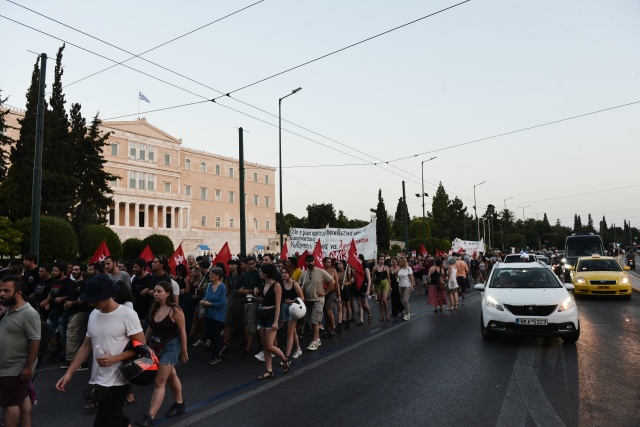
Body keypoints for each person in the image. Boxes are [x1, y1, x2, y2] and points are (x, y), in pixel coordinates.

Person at [56, 274, 145, 427]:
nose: (92, 303)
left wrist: (115, 358)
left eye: (96, 300)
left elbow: (142, 348)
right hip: (98, 378)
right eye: (90, 300)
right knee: (117, 420)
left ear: (109, 295)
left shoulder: (127, 315)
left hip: (118, 379)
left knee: (105, 421)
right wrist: (69, 373)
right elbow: (86, 346)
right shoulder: (93, 315)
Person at [135, 281, 188, 427]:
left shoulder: (175, 310)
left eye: (159, 291)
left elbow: (183, 331)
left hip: (171, 347)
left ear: (168, 293)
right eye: (155, 291)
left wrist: (184, 351)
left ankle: (150, 416)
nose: (155, 293)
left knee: (159, 381)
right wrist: (143, 347)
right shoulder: (154, 308)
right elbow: (149, 329)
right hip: (155, 347)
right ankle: (179, 404)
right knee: (171, 375)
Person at [0, 276, 41, 427]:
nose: (2, 294)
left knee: (9, 405)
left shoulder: (28, 313)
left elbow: (35, 340)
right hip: (6, 366)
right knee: (22, 398)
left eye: (6, 291)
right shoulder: (8, 309)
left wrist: (27, 367)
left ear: (18, 293)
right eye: (1, 290)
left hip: (16, 368)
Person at [255, 264, 288, 379]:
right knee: (264, 344)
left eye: (261, 271)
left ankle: (284, 359)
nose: (259, 273)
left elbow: (278, 304)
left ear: (266, 274)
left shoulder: (276, 285)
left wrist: (276, 321)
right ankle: (269, 370)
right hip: (263, 314)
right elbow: (265, 300)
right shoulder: (264, 284)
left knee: (269, 345)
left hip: (272, 315)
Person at [299, 255, 335, 351]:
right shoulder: (304, 274)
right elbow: (299, 286)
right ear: (305, 262)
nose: (310, 263)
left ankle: (314, 341)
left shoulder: (321, 271)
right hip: (308, 300)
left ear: (314, 261)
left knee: (315, 321)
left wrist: (325, 292)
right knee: (311, 321)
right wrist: (301, 290)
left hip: (318, 300)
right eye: (308, 261)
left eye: (312, 261)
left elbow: (332, 282)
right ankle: (317, 339)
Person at [60, 263, 89, 371]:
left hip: (80, 312)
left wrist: (73, 303)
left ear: (82, 271)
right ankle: (78, 359)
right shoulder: (71, 283)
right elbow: (69, 296)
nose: (74, 271)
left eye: (77, 270)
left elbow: (84, 298)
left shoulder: (85, 283)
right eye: (73, 269)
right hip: (70, 312)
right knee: (73, 336)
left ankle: (71, 360)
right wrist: (66, 303)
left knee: (72, 335)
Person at [202, 267, 226, 365]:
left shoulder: (222, 287)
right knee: (208, 333)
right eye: (210, 274)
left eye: (212, 274)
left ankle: (216, 355)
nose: (210, 276)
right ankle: (219, 345)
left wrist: (211, 304)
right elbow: (205, 297)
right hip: (209, 314)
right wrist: (203, 301)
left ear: (218, 276)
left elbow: (222, 302)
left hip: (218, 315)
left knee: (215, 335)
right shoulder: (208, 286)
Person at [280, 266, 304, 360]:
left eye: (285, 273)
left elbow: (302, 298)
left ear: (290, 274)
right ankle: (298, 349)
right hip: (285, 308)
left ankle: (287, 357)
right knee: (292, 331)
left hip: (293, 309)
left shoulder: (295, 284)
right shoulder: (283, 283)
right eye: (282, 273)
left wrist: (292, 301)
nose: (283, 274)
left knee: (289, 333)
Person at [372, 255, 391, 321]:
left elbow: (388, 277)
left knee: (384, 299)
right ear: (378, 260)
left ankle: (387, 314)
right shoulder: (375, 267)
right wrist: (372, 286)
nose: (382, 260)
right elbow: (373, 277)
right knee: (380, 300)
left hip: (385, 282)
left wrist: (389, 286)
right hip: (378, 284)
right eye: (380, 259)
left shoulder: (386, 267)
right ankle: (382, 315)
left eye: (383, 259)